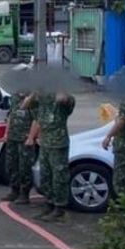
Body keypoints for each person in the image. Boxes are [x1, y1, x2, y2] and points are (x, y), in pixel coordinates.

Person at [26, 90, 76, 222]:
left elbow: (64, 99)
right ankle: (49, 204)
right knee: (45, 177)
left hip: (58, 145)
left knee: (59, 177)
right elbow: (24, 105)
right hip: (45, 144)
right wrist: (35, 93)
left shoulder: (62, 101)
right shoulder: (42, 102)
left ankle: (60, 209)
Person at [1, 90, 34, 204]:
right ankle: (14, 190)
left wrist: (31, 136)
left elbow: (37, 119)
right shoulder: (14, 97)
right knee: (11, 165)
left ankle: (24, 194)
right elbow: (11, 115)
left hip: (24, 139)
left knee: (24, 166)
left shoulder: (33, 99)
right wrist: (6, 133)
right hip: (12, 137)